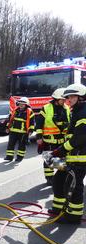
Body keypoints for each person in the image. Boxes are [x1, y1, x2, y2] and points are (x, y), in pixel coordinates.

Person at [49, 83, 86, 224]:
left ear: (81, 97)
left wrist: (60, 150)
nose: (68, 100)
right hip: (71, 156)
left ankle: (73, 216)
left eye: (72, 96)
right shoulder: (76, 111)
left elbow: (80, 137)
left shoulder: (83, 112)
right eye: (67, 97)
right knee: (58, 181)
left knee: (75, 187)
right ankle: (58, 209)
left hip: (80, 158)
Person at [36, 88, 71, 185]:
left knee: (61, 160)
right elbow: (39, 124)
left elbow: (69, 122)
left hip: (62, 140)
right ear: (56, 99)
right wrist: (39, 137)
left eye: (65, 99)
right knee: (49, 160)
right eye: (62, 99)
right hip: (49, 140)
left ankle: (59, 179)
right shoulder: (46, 108)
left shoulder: (66, 108)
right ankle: (49, 178)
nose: (64, 101)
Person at [4, 97, 35, 162]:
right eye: (20, 103)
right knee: (11, 144)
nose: (21, 105)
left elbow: (32, 123)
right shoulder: (15, 110)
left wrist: (30, 131)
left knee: (21, 146)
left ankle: (20, 157)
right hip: (13, 131)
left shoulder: (29, 112)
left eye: (23, 104)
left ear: (26, 105)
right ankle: (9, 156)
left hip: (23, 132)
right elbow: (10, 120)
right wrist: (7, 127)